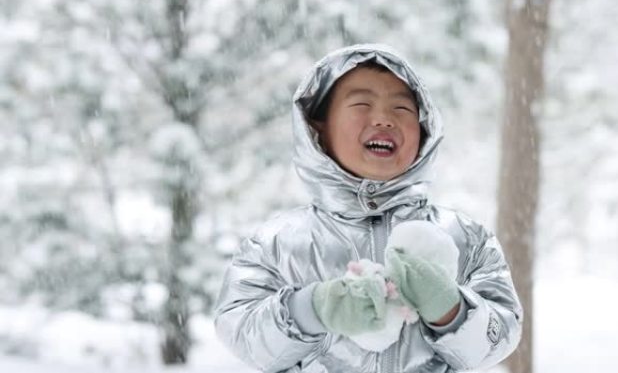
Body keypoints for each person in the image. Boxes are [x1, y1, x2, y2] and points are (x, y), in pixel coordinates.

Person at [214, 44, 522, 373]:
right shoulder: (277, 243)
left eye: (402, 109)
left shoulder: (466, 239)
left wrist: (452, 311)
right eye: (362, 104)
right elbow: (242, 335)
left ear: (425, 129)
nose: (384, 119)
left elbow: (500, 338)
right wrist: (313, 309)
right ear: (318, 128)